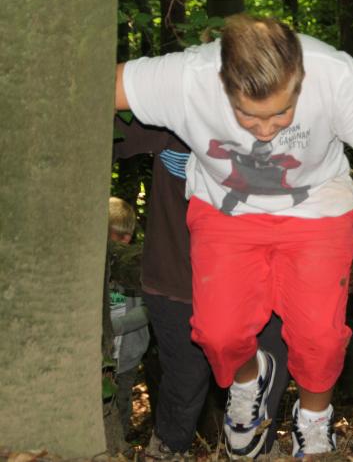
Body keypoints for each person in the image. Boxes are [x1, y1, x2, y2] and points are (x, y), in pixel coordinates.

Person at [114, 13, 353, 457]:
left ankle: (314, 421)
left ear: (299, 77)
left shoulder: (330, 71)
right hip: (225, 210)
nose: (267, 130)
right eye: (249, 116)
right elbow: (99, 86)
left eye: (282, 112)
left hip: (317, 208)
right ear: (223, 83)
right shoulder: (188, 76)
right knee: (217, 334)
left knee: (320, 337)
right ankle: (248, 382)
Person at [112, 118, 290, 459]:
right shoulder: (175, 105)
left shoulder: (280, 112)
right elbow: (101, 135)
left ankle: (259, 450)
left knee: (267, 373)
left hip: (262, 281)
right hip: (179, 279)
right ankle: (167, 449)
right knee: (184, 381)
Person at [106, 196, 150, 440]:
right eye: (117, 234)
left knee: (122, 403)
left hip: (126, 356)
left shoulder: (134, 264)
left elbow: (147, 309)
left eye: (128, 235)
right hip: (100, 356)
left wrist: (116, 326)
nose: (124, 240)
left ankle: (120, 444)